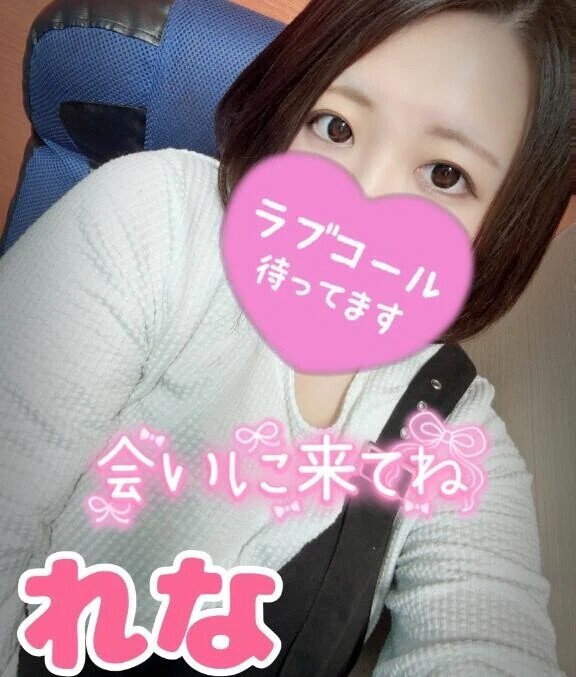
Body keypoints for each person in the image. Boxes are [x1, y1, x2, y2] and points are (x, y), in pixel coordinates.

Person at [0, 0, 573, 674]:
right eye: (335, 126)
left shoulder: (451, 428)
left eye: (445, 175)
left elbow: (487, 644)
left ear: (504, 228)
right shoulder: (157, 220)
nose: (361, 198)